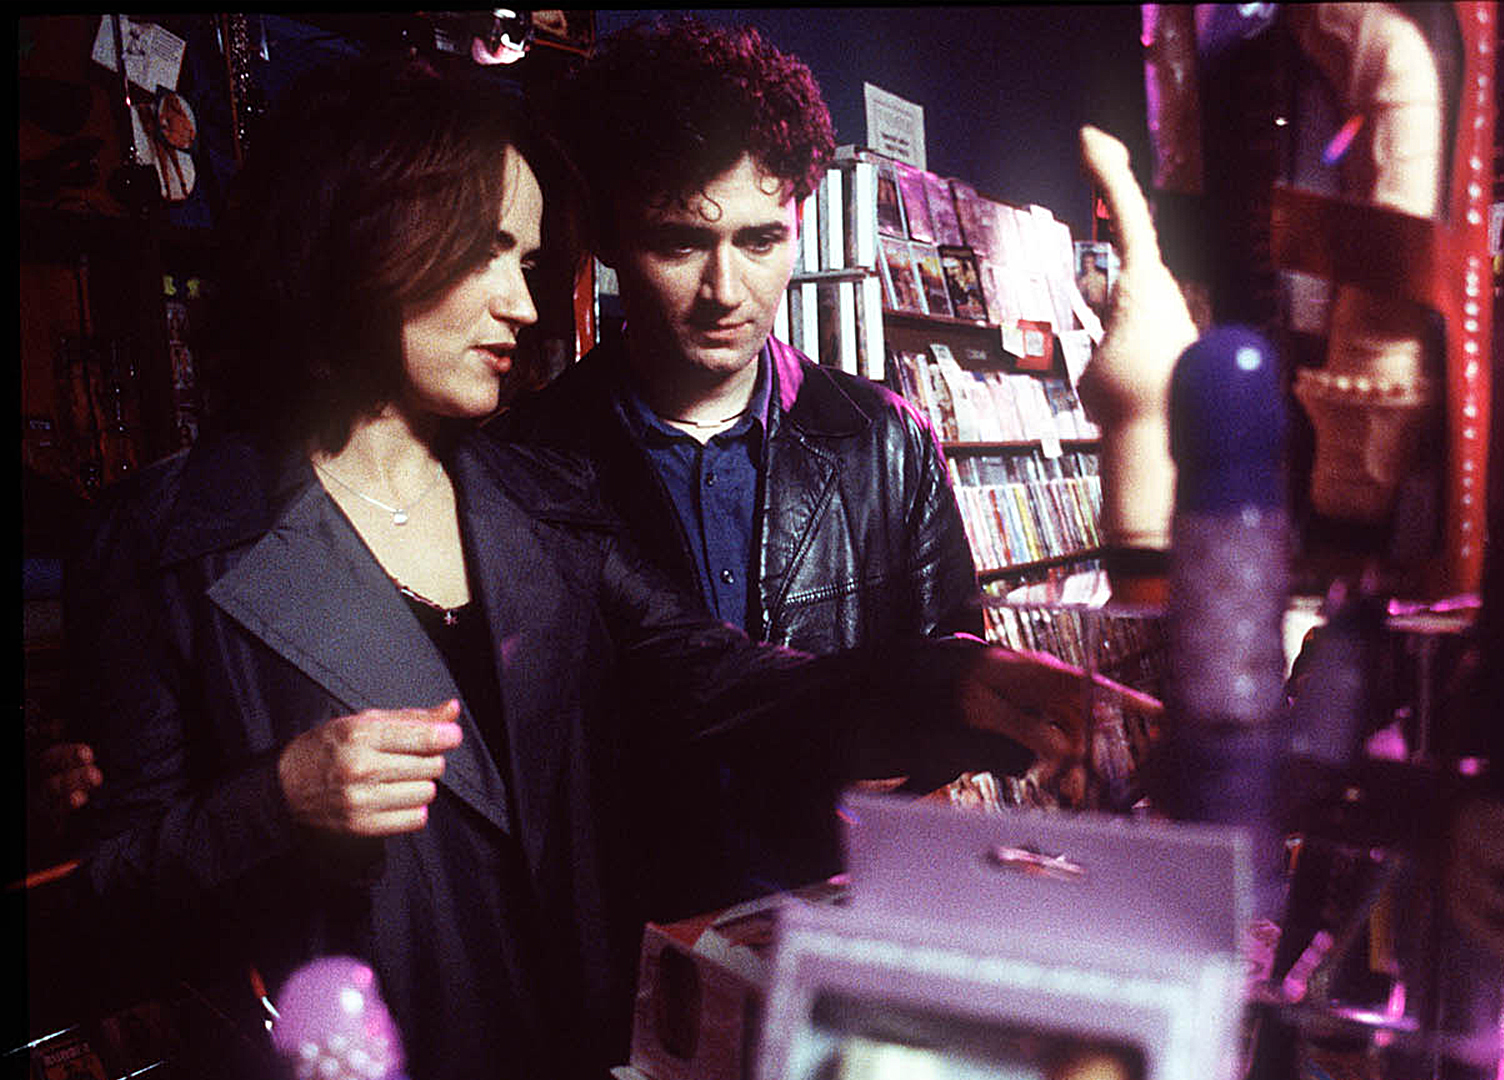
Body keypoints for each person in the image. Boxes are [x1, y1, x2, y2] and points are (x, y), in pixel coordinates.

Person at [63, 53, 1108, 1080]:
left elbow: (727, 683)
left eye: (525, 262)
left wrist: (960, 682)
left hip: (588, 1039)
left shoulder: (536, 500)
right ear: (363, 237)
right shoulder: (167, 539)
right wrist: (272, 801)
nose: (521, 305)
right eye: (486, 254)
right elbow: (109, 906)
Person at [492, 16, 984, 905]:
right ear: (606, 237)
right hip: (626, 941)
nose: (726, 291)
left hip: (835, 920)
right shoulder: (523, 461)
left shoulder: (889, 440)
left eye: (761, 241)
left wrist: (907, 767)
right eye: (681, 242)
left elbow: (956, 679)